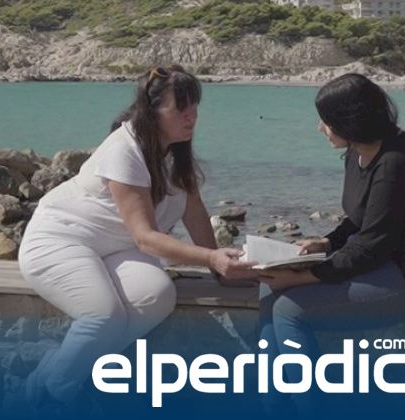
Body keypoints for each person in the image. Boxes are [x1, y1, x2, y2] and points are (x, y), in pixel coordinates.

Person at [18, 65, 255, 411]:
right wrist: (209, 259)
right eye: (181, 107)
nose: (191, 116)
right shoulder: (124, 149)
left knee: (156, 295)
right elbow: (145, 238)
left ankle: (63, 367)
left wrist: (220, 268)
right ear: (152, 110)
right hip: (61, 239)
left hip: (115, 247)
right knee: (103, 315)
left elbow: (194, 212)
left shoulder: (175, 151)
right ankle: (54, 391)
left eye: (195, 106)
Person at [256, 73, 405, 410]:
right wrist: (326, 243)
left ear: (349, 122)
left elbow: (370, 246)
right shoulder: (358, 153)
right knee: (268, 291)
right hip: (382, 262)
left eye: (326, 121)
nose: (320, 128)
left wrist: (304, 276)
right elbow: (360, 218)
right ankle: (274, 408)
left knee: (288, 310)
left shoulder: (396, 163)